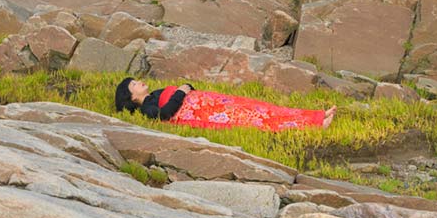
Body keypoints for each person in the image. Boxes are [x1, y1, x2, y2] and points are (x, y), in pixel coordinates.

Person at [113, 77, 336, 131]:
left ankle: (315, 116)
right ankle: (313, 125)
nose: (139, 82)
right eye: (134, 85)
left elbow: (186, 87)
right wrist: (181, 92)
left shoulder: (156, 93)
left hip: (212, 101)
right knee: (256, 118)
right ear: (131, 97)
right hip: (209, 112)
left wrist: (184, 87)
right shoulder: (147, 108)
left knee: (259, 107)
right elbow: (165, 114)